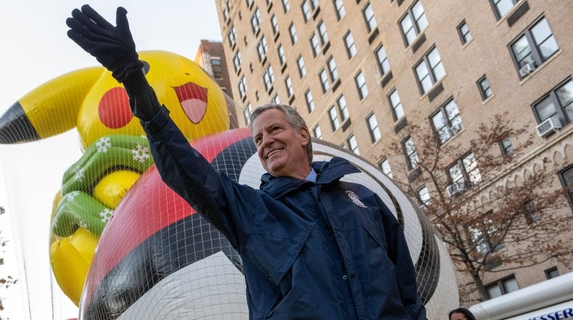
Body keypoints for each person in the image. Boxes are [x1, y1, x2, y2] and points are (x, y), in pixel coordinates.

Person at [66, 5, 428, 320]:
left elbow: (407, 292)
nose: (266, 141)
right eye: (258, 138)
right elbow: (183, 166)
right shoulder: (251, 210)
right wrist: (133, 78)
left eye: (274, 129)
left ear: (303, 135)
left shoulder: (364, 200)